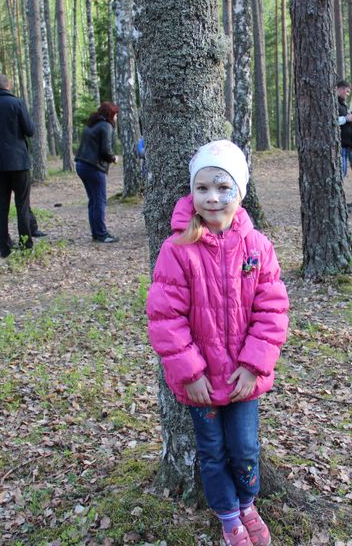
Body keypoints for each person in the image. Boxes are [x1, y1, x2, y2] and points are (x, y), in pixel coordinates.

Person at [146, 140, 289, 546]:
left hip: (244, 379)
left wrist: (254, 364)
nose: (212, 197)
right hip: (202, 383)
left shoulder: (257, 248)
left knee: (244, 449)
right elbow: (165, 318)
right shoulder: (177, 250)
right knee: (211, 452)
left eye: (223, 187)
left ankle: (247, 503)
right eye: (203, 188)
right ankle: (228, 517)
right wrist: (190, 373)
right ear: (192, 193)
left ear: (240, 192)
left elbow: (272, 310)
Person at [0, 84, 44, 245]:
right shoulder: (14, 103)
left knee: (3, 204)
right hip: (15, 161)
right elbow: (30, 130)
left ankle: (7, 242)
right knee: (19, 204)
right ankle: (24, 242)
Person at [75, 102, 120, 243]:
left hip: (81, 165)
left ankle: (96, 232)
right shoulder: (106, 126)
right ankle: (101, 233)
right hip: (93, 167)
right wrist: (113, 158)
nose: (117, 118)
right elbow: (105, 150)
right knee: (99, 200)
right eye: (116, 115)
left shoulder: (92, 123)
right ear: (110, 114)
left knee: (93, 200)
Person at [335, 80, 352, 179]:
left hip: (346, 144)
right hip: (339, 144)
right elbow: (332, 121)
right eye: (347, 91)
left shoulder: (343, 104)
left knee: (344, 172)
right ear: (341, 89)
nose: (347, 94)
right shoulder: (334, 103)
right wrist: (346, 119)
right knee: (341, 172)